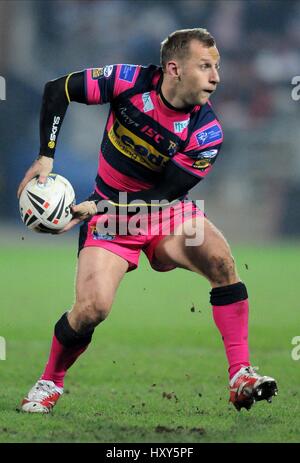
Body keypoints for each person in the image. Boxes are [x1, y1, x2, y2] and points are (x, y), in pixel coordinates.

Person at [17, 28, 278, 413]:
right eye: (205, 66)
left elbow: (162, 197)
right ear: (174, 68)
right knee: (92, 310)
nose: (216, 77)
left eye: (217, 67)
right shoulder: (126, 82)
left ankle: (240, 374)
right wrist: (46, 156)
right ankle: (48, 382)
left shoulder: (206, 131)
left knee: (222, 263)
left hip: (162, 212)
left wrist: (105, 208)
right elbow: (59, 90)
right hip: (109, 217)